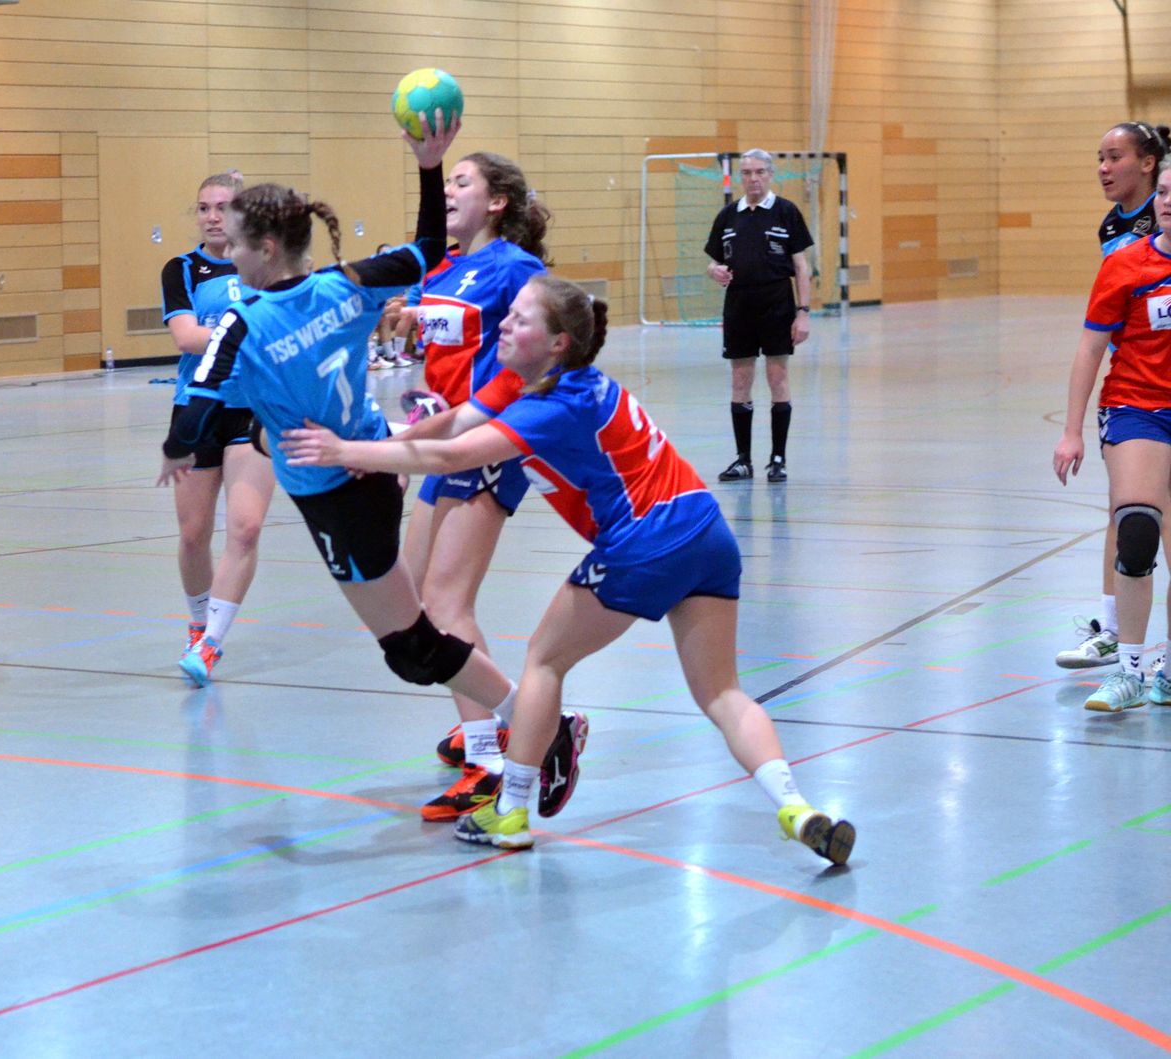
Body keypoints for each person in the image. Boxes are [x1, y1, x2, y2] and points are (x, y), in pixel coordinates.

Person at [282, 274, 855, 861]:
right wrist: (379, 444)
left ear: (557, 343)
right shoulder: (532, 381)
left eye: (521, 319)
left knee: (544, 660)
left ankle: (510, 811)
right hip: (706, 532)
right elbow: (452, 424)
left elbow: (451, 456)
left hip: (645, 541)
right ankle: (797, 808)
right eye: (509, 315)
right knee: (722, 692)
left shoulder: (553, 407)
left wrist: (343, 452)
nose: (506, 325)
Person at [161, 115, 582, 816]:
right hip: (393, 457)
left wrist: (180, 446)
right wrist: (426, 172)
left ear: (266, 247)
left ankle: (529, 732)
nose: (224, 254)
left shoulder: (249, 320)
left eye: (233, 243)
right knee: (422, 618)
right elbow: (422, 258)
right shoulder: (359, 283)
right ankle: (496, 731)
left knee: (422, 635)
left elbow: (197, 403)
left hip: (387, 470)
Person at [404, 149, 552, 823]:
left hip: (484, 442)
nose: (449, 190)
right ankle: (489, 719)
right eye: (448, 182)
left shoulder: (513, 267)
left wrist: (501, 415)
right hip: (443, 442)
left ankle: (494, 758)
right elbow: (437, 340)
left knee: (446, 602)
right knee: (415, 596)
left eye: (462, 181)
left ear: (496, 201)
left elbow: (549, 345)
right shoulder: (443, 267)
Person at [1055, 160, 1171, 713]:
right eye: (1164, 192)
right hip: (1137, 407)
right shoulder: (1126, 264)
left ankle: (1168, 670)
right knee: (1138, 529)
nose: (1168, 202)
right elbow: (1089, 349)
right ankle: (1128, 670)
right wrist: (1071, 431)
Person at [160, 170, 275, 686]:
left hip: (254, 408)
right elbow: (186, 338)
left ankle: (211, 642)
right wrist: (247, 333)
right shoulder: (182, 269)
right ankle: (196, 621)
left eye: (223, 207)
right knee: (193, 536)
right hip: (198, 406)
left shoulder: (265, 263)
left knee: (246, 527)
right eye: (204, 208)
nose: (212, 217)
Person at [705, 149, 813, 483]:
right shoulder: (728, 216)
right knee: (740, 380)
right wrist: (714, 270)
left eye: (760, 172)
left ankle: (778, 459)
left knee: (777, 377)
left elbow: (801, 266)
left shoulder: (786, 211)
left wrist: (803, 313)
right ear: (740, 177)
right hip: (739, 304)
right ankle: (743, 460)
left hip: (776, 302)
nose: (753, 179)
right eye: (747, 173)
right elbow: (713, 261)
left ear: (770, 174)